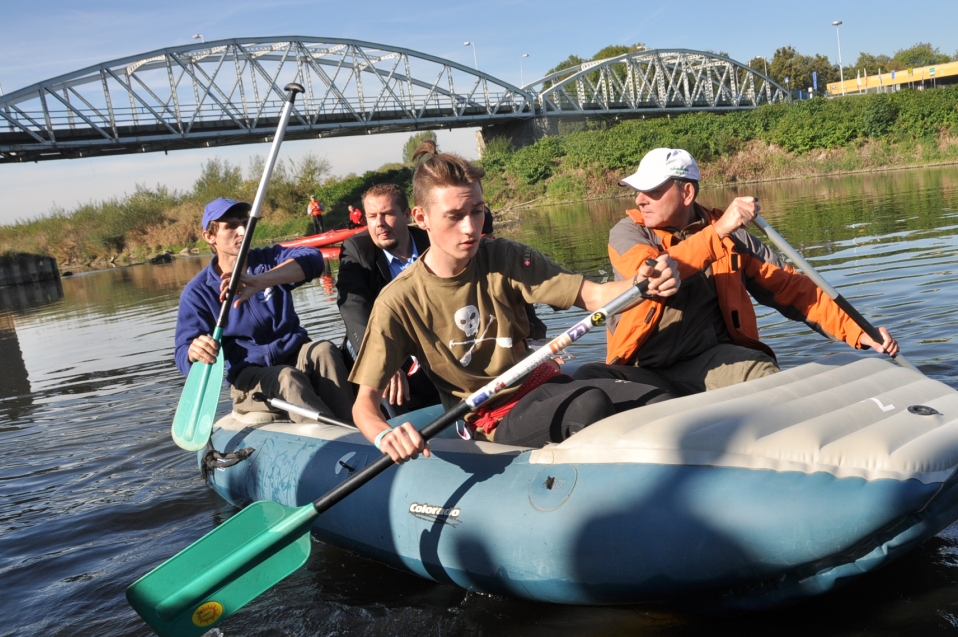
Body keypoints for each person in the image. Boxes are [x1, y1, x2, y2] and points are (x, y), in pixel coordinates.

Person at [349, 150, 680, 460]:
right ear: (421, 217)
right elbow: (364, 404)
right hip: (490, 417)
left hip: (542, 384)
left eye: (477, 211)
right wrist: (384, 435)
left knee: (659, 399)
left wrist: (642, 285)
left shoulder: (506, 257)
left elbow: (592, 296)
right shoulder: (397, 301)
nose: (470, 228)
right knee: (588, 405)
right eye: (455, 216)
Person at [575, 148, 899, 396]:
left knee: (760, 372)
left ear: (687, 193)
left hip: (710, 361)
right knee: (585, 386)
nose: (640, 200)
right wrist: (719, 232)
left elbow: (797, 291)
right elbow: (652, 276)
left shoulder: (735, 239)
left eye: (652, 191)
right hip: (642, 366)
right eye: (637, 191)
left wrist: (861, 331)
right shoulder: (627, 233)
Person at [175, 197, 355, 424]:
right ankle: (333, 442)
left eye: (245, 222)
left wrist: (260, 281)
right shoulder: (197, 292)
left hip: (295, 355)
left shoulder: (269, 260)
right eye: (231, 226)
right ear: (209, 237)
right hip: (250, 377)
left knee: (325, 350)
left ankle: (357, 430)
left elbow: (314, 259)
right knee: (288, 378)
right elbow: (182, 354)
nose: (242, 230)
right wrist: (194, 351)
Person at [337, 183, 438, 414]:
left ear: (407, 215)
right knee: (387, 381)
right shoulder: (356, 250)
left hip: (429, 335)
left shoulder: (431, 241)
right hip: (378, 339)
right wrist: (381, 362)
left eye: (387, 214)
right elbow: (354, 308)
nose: (379, 224)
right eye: (372, 217)